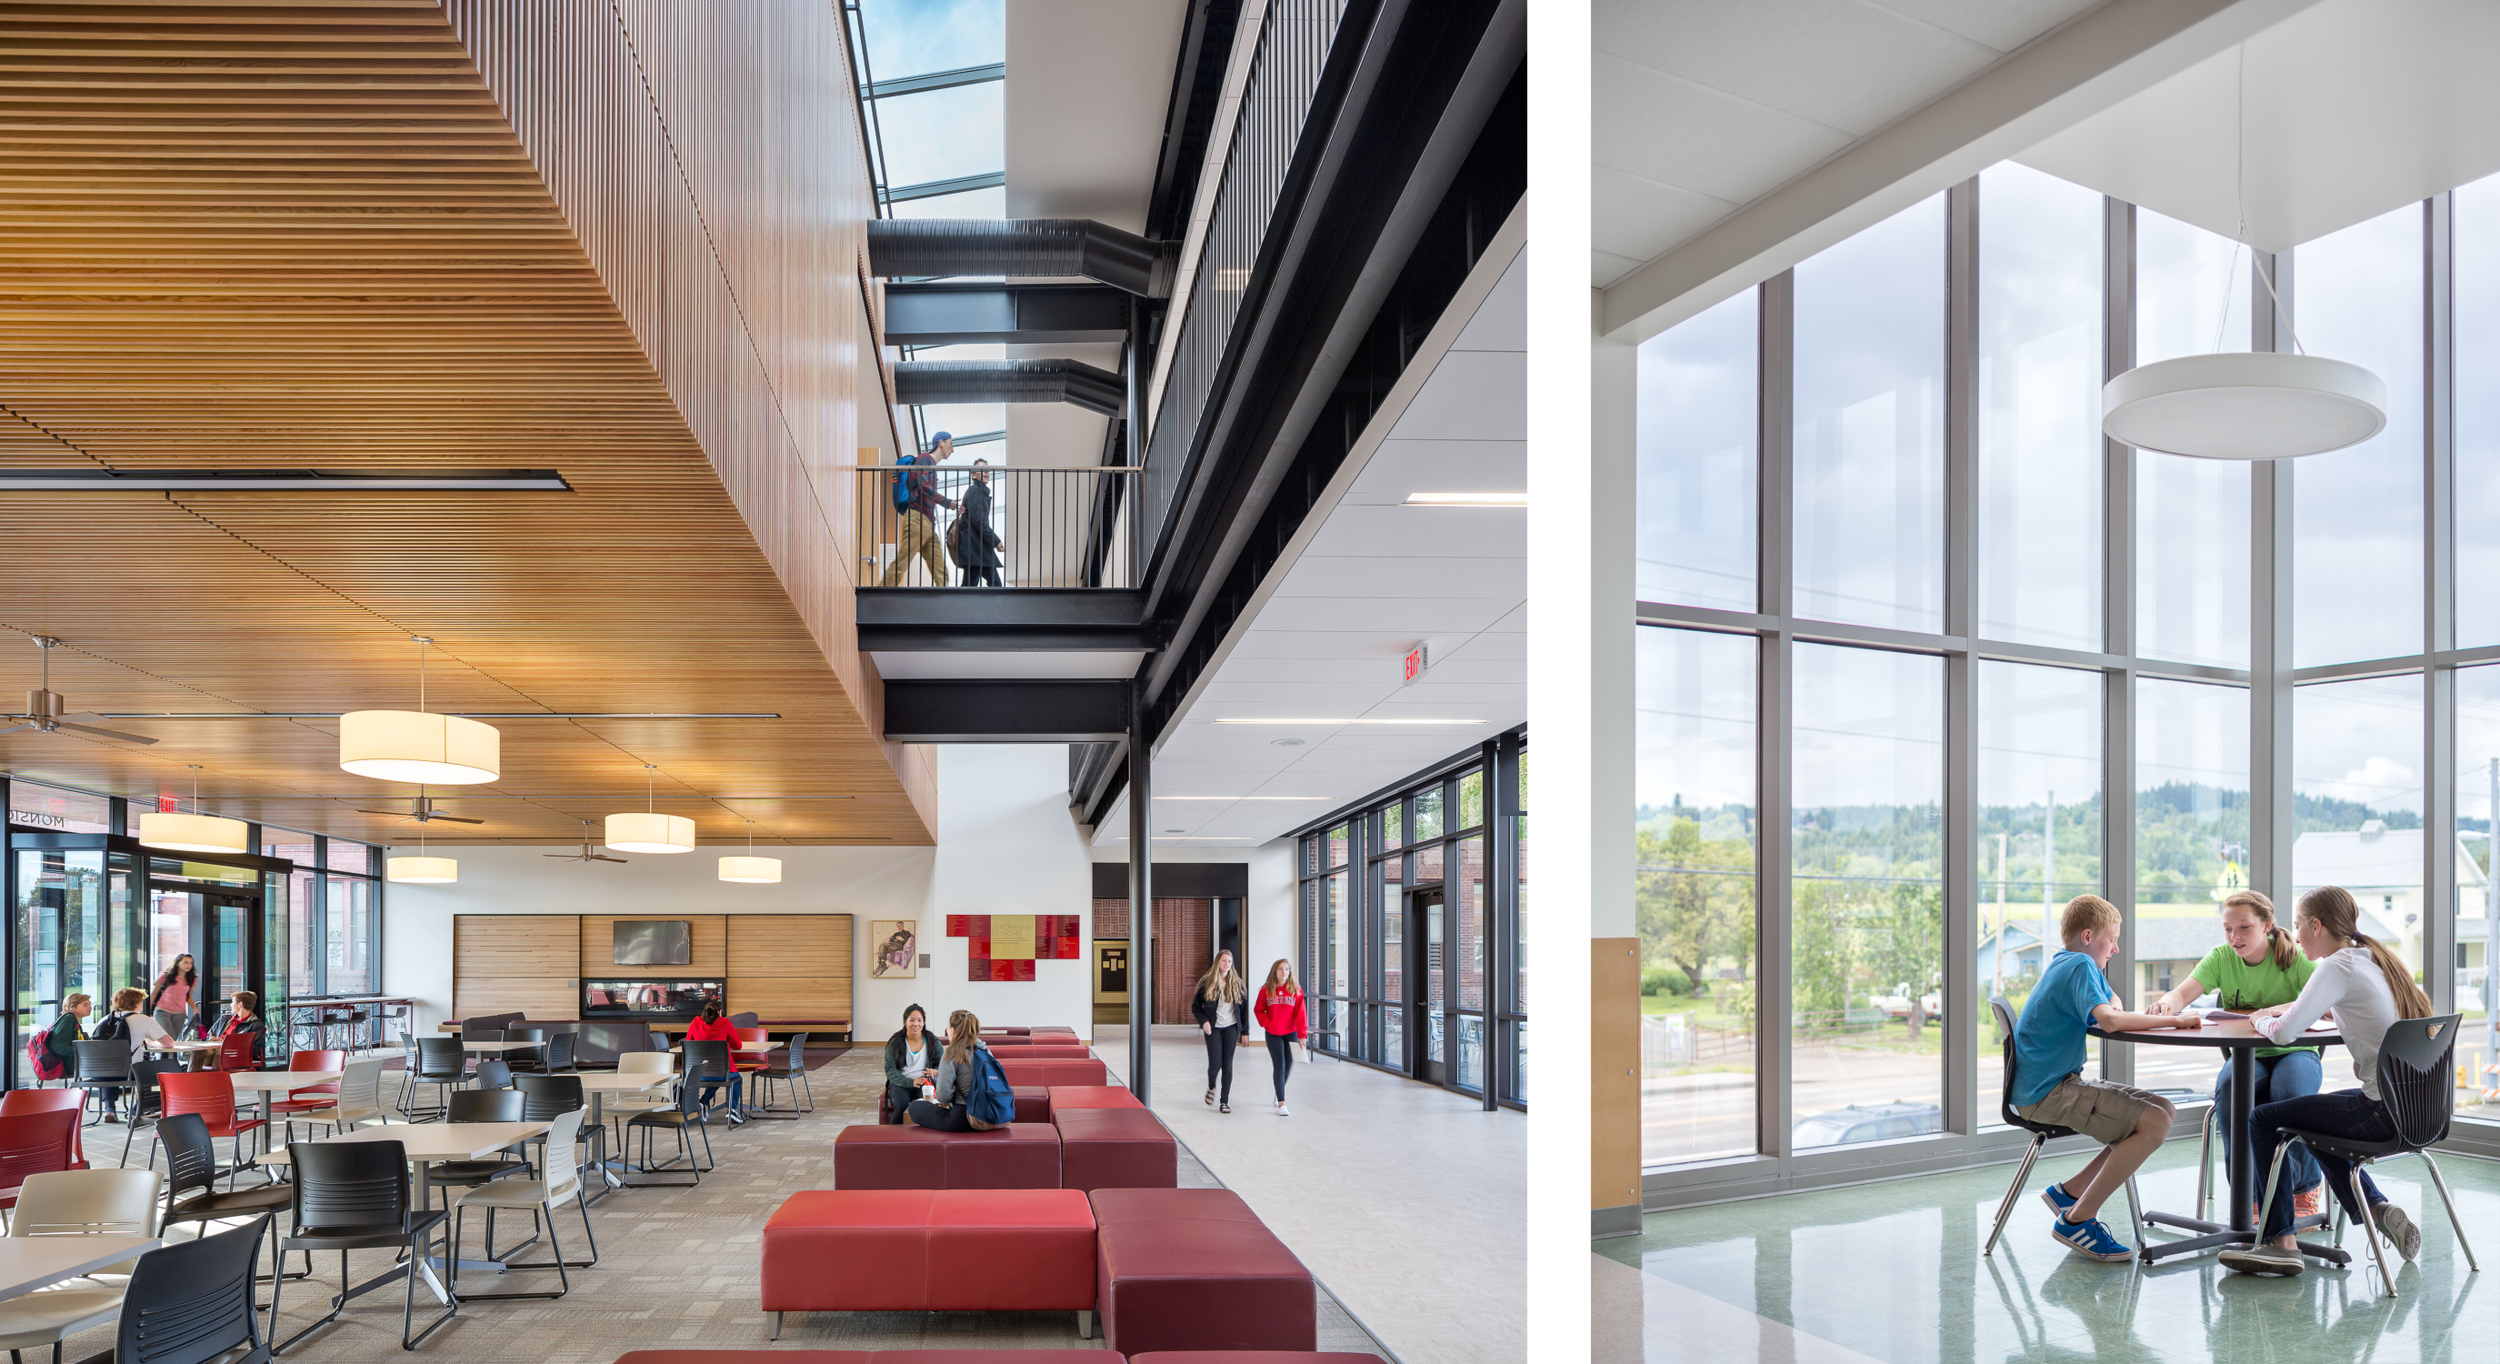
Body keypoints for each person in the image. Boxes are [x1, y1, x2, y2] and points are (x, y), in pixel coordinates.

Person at [2219, 886, 2434, 1277]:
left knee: (2263, 1119)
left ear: (2317, 925)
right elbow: (2351, 1009)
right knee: (2315, 1123)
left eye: (2299, 925)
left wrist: (2259, 1019)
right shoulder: (2372, 959)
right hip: (2416, 1113)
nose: (2295, 936)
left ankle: (2278, 1242)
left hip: (2379, 1114)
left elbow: (2283, 1034)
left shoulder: (2337, 966)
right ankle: (2375, 1206)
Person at [2009, 895, 2202, 1261]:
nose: (2114, 949)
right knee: (2155, 1122)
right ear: (2087, 936)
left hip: (2047, 1086)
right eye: (2111, 940)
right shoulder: (2079, 965)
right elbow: (2111, 1019)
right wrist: (2175, 1020)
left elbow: (2109, 1000)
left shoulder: (2069, 962)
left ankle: (2071, 1191)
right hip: (2048, 1094)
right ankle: (2077, 1218)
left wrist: (2111, 999)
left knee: (2162, 1107)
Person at [2145, 890, 2329, 1219]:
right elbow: (2183, 992)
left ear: (2267, 926)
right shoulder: (2220, 958)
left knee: (2289, 1093)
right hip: (2249, 1057)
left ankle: (2302, 1191)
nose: (2234, 937)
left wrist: (2273, 1010)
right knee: (2230, 1089)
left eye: (2244, 928)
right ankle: (2251, 1194)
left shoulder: (2294, 958)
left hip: (2296, 1051)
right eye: (2228, 929)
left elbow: (2322, 1000)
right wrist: (2166, 1005)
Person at [877, 432, 958, 587]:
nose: (952, 449)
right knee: (902, 562)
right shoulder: (924, 459)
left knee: (940, 570)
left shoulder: (930, 465)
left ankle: (946, 604)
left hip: (927, 523)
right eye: (950, 444)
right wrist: (947, 502)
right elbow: (923, 485)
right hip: (917, 520)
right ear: (941, 443)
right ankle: (879, 595)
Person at [910, 1009, 1000, 1133]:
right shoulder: (986, 1052)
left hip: (965, 1118)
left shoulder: (951, 1053)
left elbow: (943, 1097)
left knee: (914, 1108)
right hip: (993, 1114)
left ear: (953, 1030)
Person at [93, 987, 171, 1121]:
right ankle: (136, 1110)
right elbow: (169, 1044)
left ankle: (109, 1109)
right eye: (141, 1002)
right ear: (136, 1003)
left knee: (110, 1066)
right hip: (131, 1071)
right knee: (158, 1070)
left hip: (101, 1070)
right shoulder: (143, 1019)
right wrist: (151, 1043)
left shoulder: (105, 1019)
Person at [1194, 949, 1248, 1113]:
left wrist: (1245, 1032)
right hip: (1214, 1028)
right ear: (1218, 962)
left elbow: (1244, 1010)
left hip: (1231, 1028)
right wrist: (1204, 1022)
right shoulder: (1207, 982)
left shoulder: (1236, 984)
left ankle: (1224, 1101)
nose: (1227, 964)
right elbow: (1195, 1007)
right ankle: (1211, 1086)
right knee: (1215, 1064)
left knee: (1227, 1065)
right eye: (1224, 961)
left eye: (1229, 962)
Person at [1254, 957, 1307, 1116]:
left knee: (1289, 1065)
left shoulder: (1296, 990)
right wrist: (1268, 1023)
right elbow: (1259, 1010)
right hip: (1273, 1033)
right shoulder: (1266, 990)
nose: (1284, 972)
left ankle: (1278, 1091)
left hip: (1291, 1033)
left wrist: (1302, 1035)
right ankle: (1282, 1103)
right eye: (1281, 969)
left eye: (1287, 969)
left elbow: (1301, 1014)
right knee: (1279, 1065)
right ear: (1275, 972)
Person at [682, 1000, 748, 1125]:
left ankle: (703, 1103)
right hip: (722, 1070)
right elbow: (738, 1045)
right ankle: (732, 1109)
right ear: (719, 1012)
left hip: (697, 1072)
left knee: (715, 1076)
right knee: (735, 1079)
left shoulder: (695, 1022)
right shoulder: (725, 1023)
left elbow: (689, 1042)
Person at [883, 1003, 939, 1124]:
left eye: (920, 1020)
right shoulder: (895, 1042)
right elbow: (890, 1070)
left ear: (924, 1022)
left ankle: (925, 1138)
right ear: (905, 1022)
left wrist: (935, 1071)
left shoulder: (931, 1040)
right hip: (900, 1082)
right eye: (912, 1020)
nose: (916, 1024)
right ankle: (893, 1138)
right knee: (902, 1105)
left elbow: (944, 1062)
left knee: (927, 1105)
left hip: (923, 1081)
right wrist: (910, 1082)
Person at [955, 458, 1003, 587]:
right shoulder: (975, 491)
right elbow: (979, 521)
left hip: (976, 550)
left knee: (969, 587)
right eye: (982, 470)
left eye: (987, 470)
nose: (986, 473)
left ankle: (963, 606)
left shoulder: (979, 492)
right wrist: (996, 540)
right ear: (973, 475)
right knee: (995, 584)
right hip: (976, 549)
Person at [40, 993, 92, 1085]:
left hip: (75, 1063)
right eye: (85, 1005)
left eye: (89, 1004)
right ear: (72, 1007)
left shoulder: (73, 1021)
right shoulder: (69, 1018)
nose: (90, 1008)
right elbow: (58, 1045)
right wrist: (80, 1054)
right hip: (68, 1065)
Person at [210, 990, 264, 1068]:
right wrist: (212, 1038)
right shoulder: (225, 1018)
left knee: (218, 1057)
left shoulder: (255, 1025)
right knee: (198, 1054)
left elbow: (254, 1050)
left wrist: (226, 1043)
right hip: (214, 1048)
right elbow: (210, 1033)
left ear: (240, 1004)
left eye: (232, 1002)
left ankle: (218, 1080)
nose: (231, 1005)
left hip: (233, 1054)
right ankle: (192, 1080)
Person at [146, 954, 197, 1039]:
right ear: (177, 963)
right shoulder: (166, 976)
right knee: (168, 1039)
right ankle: (159, 1052)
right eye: (185, 962)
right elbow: (154, 993)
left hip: (180, 1013)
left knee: (174, 1041)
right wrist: (148, 1009)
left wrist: (195, 1008)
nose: (188, 965)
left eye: (191, 963)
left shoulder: (192, 979)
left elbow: (188, 997)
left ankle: (160, 1052)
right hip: (162, 1011)